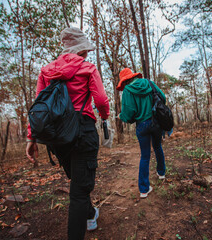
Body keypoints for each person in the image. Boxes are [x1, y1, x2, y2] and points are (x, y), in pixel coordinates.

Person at [25, 27, 110, 240]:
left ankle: (90, 215)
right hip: (82, 131)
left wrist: (31, 137)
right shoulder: (88, 68)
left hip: (59, 137)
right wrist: (104, 117)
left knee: (78, 181)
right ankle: (82, 224)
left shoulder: (47, 71)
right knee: (79, 191)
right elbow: (100, 100)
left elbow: (39, 107)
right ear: (82, 50)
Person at [116, 68, 166, 198]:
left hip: (142, 126)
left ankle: (144, 190)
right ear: (133, 76)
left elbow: (128, 114)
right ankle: (161, 173)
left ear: (125, 81)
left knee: (145, 156)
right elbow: (163, 97)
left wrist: (122, 116)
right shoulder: (148, 83)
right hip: (156, 123)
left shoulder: (127, 90)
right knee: (157, 147)